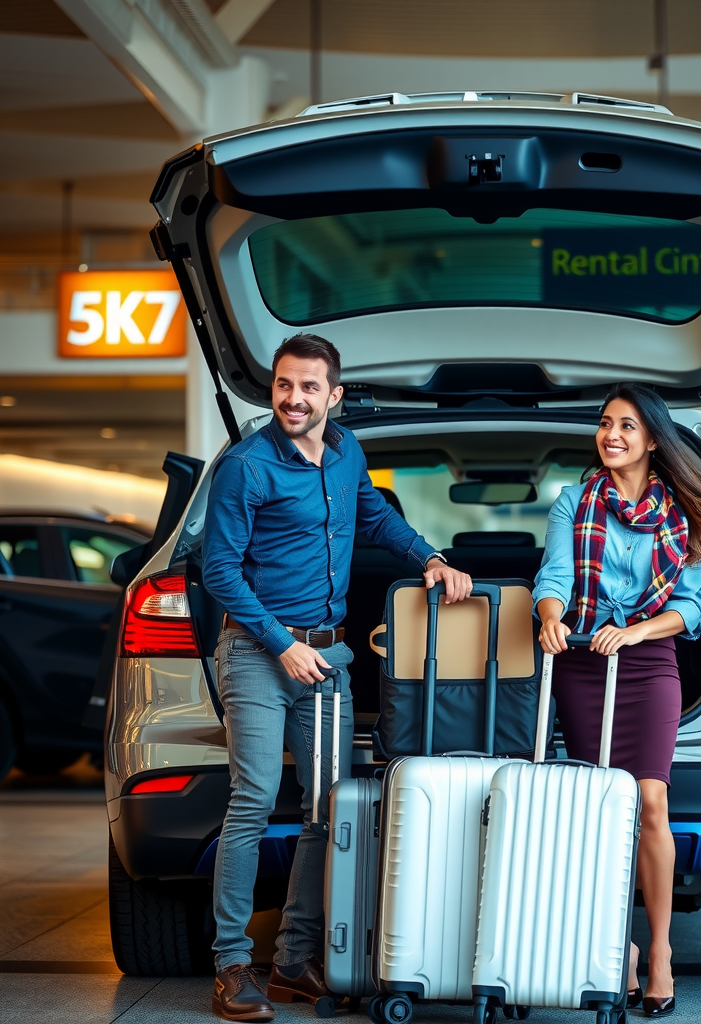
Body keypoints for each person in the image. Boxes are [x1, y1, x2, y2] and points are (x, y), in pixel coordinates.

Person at [203, 333, 473, 1021]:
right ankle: (233, 964)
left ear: (335, 395)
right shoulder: (246, 467)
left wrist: (430, 558)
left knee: (328, 810)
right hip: (259, 655)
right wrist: (279, 643)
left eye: (309, 387)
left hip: (328, 661)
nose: (294, 399)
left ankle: (293, 961)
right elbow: (219, 571)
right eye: (284, 385)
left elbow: (376, 515)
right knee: (255, 799)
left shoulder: (347, 452)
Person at [534, 383, 701, 1020]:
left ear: (652, 439)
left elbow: (689, 608)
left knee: (649, 797)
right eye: (604, 424)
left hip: (648, 663)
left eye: (625, 425)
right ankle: (612, 946)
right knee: (600, 804)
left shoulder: (687, 516)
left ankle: (659, 953)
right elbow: (555, 577)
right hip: (585, 662)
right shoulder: (574, 500)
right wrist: (548, 617)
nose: (611, 435)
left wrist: (637, 630)